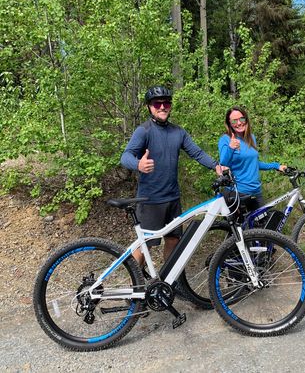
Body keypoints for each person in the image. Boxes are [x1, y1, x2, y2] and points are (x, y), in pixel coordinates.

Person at [121, 85, 222, 266]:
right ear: (149, 107)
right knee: (144, 247)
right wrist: (138, 164)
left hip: (173, 198)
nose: (162, 107)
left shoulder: (178, 132)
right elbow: (125, 156)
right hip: (150, 200)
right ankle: (135, 282)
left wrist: (216, 166)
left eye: (166, 103)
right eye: (157, 103)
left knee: (173, 240)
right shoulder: (144, 130)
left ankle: (167, 279)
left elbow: (197, 153)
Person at [218, 106, 286, 213]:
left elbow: (254, 163)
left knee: (264, 222)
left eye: (242, 119)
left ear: (246, 119)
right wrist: (231, 148)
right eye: (234, 121)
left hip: (256, 191)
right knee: (242, 225)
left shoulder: (251, 138)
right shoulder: (226, 139)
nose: (239, 123)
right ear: (229, 123)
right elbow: (223, 163)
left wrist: (276, 166)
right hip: (238, 193)